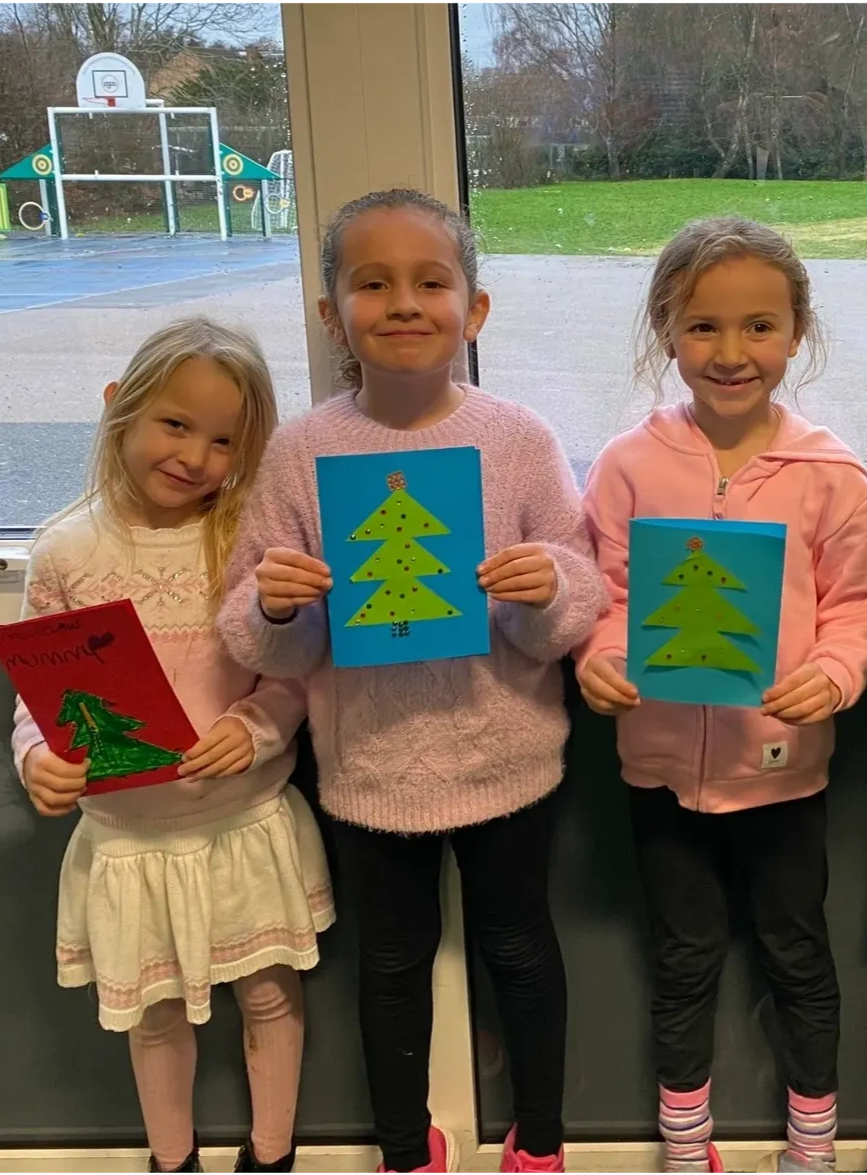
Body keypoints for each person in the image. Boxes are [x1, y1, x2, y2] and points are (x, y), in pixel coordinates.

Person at [218, 189, 605, 1175]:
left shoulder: (517, 438)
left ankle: (541, 1144)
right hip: (368, 767)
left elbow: (580, 600)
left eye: (431, 281)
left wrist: (544, 588)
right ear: (329, 312)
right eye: (372, 282)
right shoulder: (300, 451)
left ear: (473, 309)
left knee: (519, 950)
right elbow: (271, 643)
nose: (403, 302)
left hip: (507, 754)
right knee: (388, 966)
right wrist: (273, 607)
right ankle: (406, 1151)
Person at [576, 216, 867, 1175]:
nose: (731, 351)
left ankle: (812, 1143)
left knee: (800, 957)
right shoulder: (628, 465)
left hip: (784, 769)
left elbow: (859, 604)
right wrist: (596, 654)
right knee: (682, 959)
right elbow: (608, 595)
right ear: (667, 330)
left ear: (797, 332)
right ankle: (684, 1144)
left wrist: (836, 674)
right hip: (661, 766)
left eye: (759, 325)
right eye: (704, 326)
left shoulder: (830, 474)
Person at [13, 316, 330, 1175]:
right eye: (175, 424)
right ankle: (171, 1160)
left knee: (268, 993)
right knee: (152, 1013)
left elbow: (295, 673)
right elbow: (40, 696)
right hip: (128, 841)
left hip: (244, 823)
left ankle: (273, 1156)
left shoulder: (247, 545)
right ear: (120, 408)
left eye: (224, 439)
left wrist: (254, 729)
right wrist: (36, 758)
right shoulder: (64, 550)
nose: (195, 455)